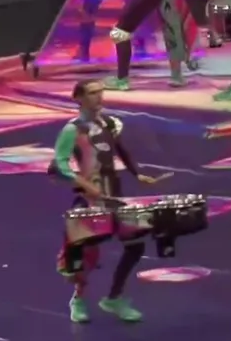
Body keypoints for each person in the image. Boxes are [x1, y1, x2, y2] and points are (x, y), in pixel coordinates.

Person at [50, 79, 159, 324]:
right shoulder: (72, 130)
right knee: (87, 253)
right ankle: (78, 298)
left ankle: (115, 297)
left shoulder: (109, 123)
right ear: (78, 98)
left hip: (114, 196)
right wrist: (85, 184)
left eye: (100, 91)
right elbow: (59, 165)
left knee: (135, 245)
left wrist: (137, 173)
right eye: (92, 93)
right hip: (90, 200)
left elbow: (121, 150)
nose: (99, 96)